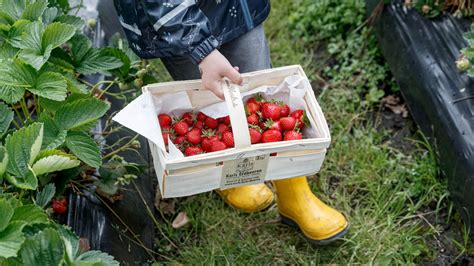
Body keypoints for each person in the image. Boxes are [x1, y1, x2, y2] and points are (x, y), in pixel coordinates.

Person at [113, 0, 349, 244]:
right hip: (172, 12)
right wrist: (200, 45)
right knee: (209, 98)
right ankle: (229, 176)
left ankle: (294, 195)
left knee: (257, 82)